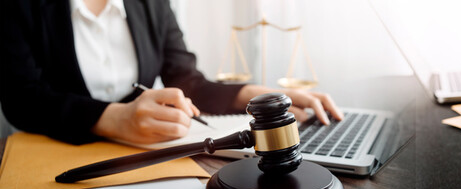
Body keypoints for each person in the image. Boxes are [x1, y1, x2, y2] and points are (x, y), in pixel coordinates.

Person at [0, 0, 343, 145]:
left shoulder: (151, 3)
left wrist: (255, 97)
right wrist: (115, 118)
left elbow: (186, 79)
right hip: (55, 152)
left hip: (144, 157)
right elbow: (20, 98)